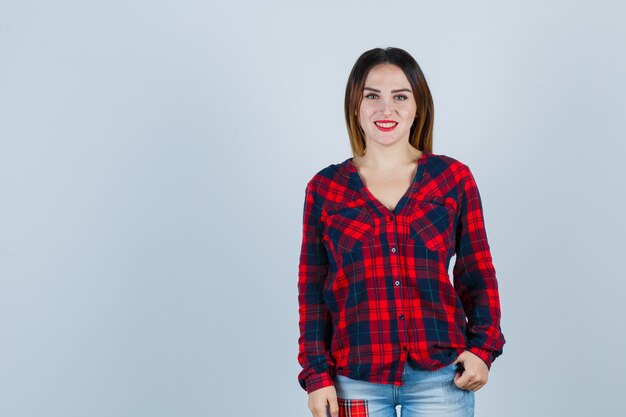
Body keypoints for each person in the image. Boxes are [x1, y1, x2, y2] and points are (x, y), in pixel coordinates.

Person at [296, 47, 506, 417]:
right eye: (372, 96)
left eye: (400, 97)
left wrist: (482, 350)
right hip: (353, 380)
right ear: (355, 106)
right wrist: (317, 377)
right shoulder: (325, 189)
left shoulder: (452, 180)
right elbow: (313, 294)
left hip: (441, 379)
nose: (386, 109)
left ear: (418, 106)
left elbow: (478, 273)